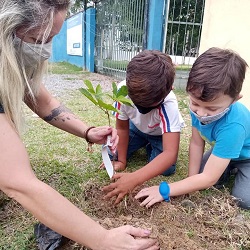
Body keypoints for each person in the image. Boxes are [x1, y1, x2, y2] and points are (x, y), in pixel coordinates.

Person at [0, 1, 159, 249]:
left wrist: (87, 131)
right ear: (6, 27)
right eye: (37, 38)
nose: (46, 51)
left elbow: (40, 99)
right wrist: (103, 239)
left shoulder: (14, 64)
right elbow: (17, 182)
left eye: (51, 39)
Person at [135, 47, 250, 210]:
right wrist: (191, 179)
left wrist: (166, 190)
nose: (201, 113)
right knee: (198, 179)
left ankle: (234, 169)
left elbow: (209, 178)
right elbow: (197, 143)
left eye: (212, 109)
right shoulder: (199, 110)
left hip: (247, 157)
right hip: (223, 148)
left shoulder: (234, 126)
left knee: (244, 200)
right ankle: (227, 166)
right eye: (195, 103)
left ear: (234, 100)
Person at [103, 50, 184, 204]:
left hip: (161, 134)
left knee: (166, 169)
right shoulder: (123, 92)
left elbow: (170, 153)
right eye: (137, 103)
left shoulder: (169, 104)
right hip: (137, 129)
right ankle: (143, 143)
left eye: (149, 105)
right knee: (109, 152)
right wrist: (121, 160)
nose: (141, 108)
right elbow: (122, 128)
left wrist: (134, 179)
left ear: (169, 89)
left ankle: (150, 146)